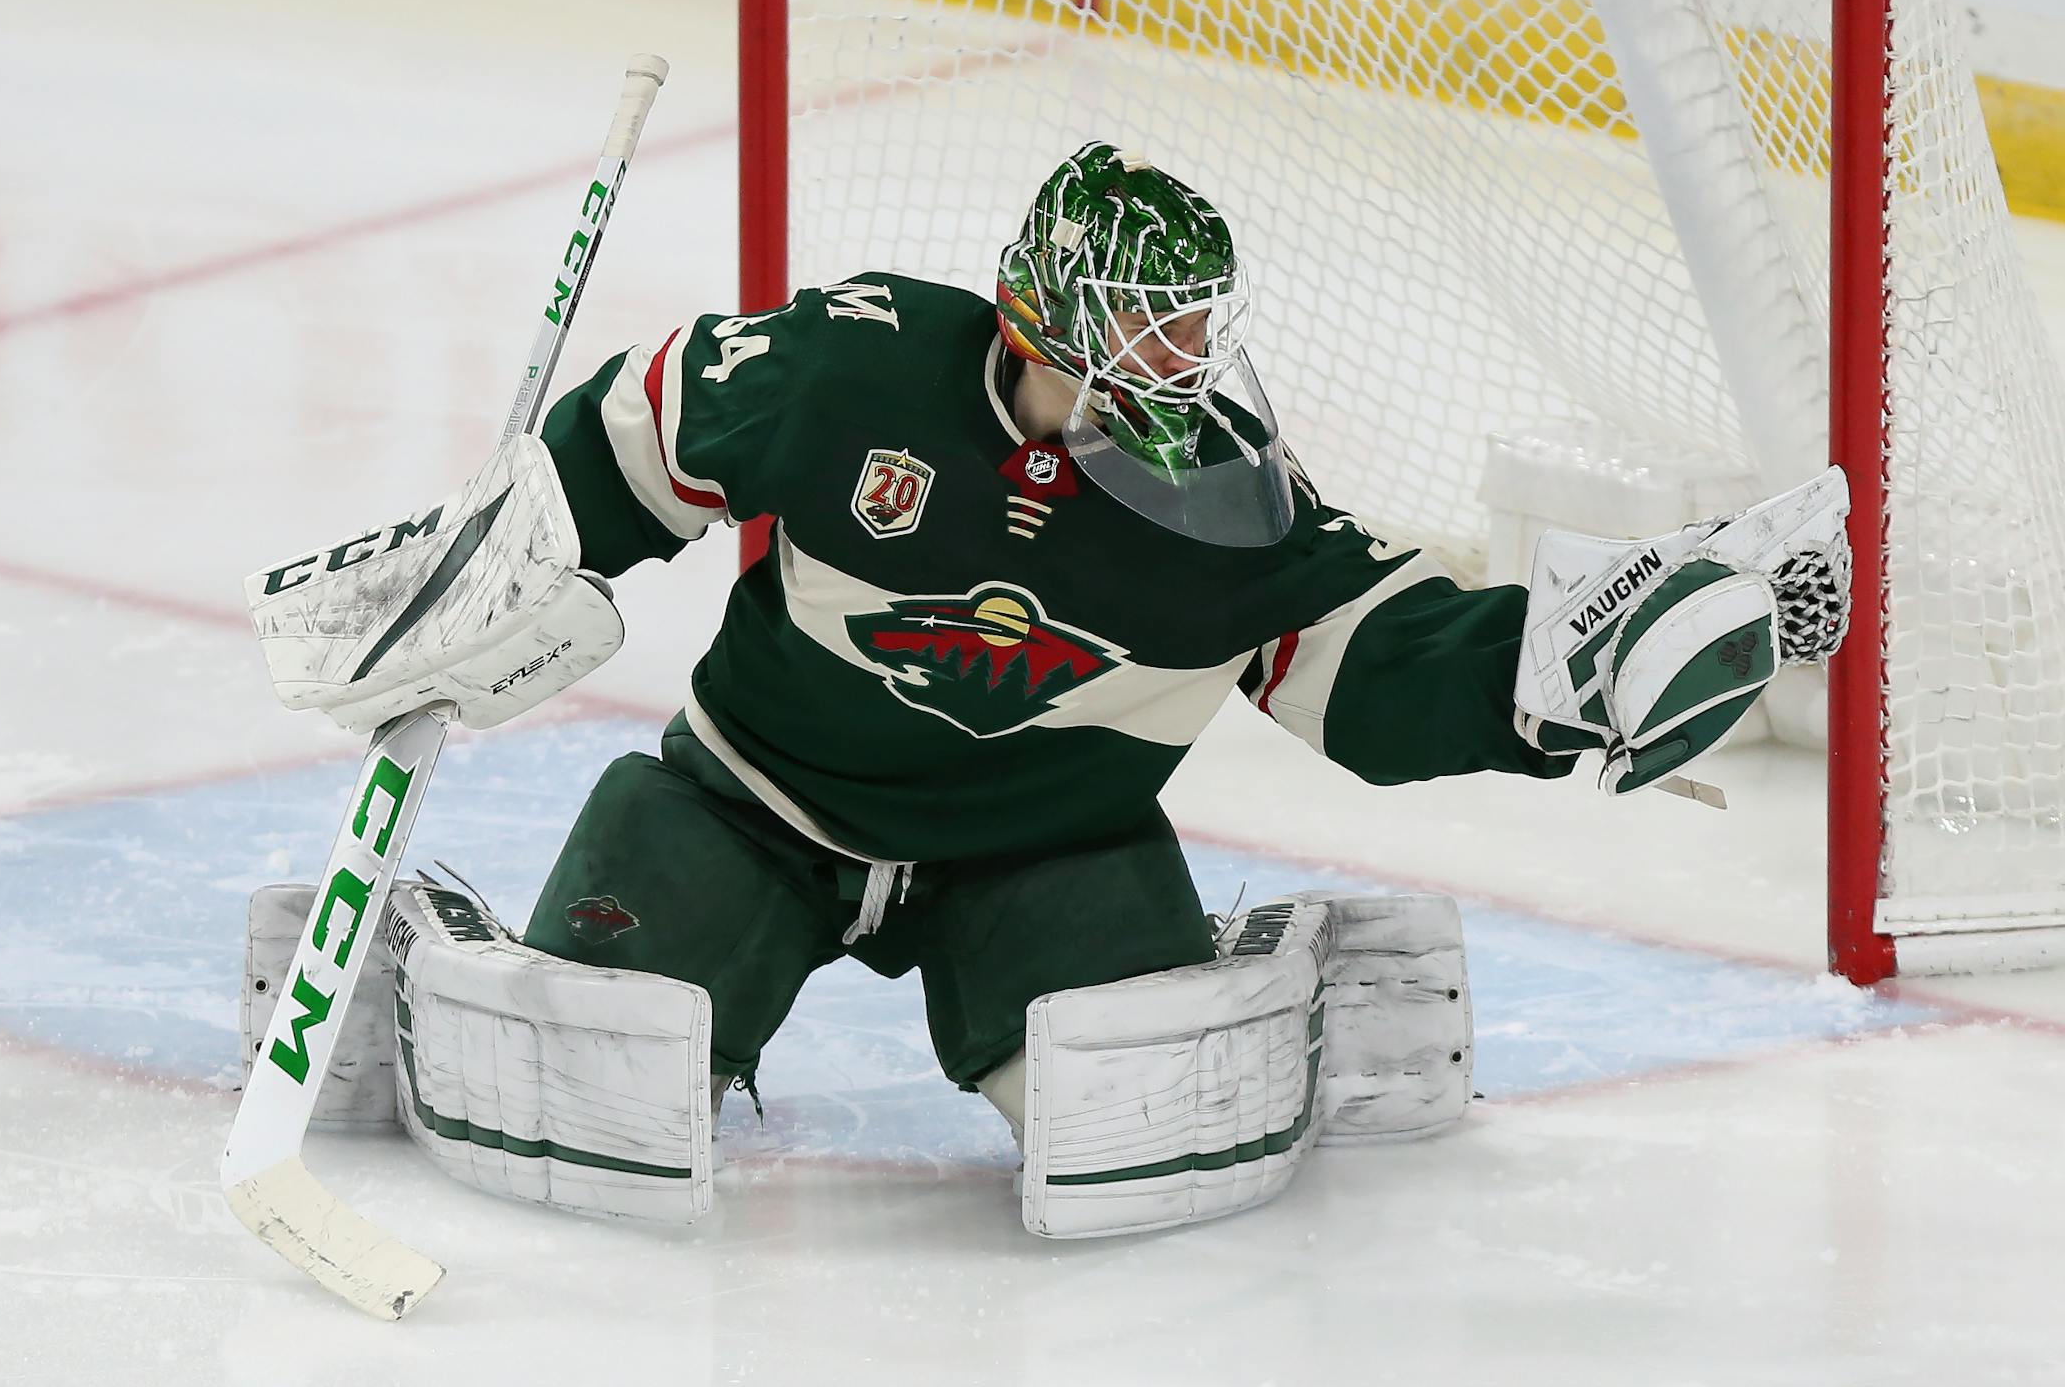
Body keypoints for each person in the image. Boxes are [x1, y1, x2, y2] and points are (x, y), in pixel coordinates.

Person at [519, 142, 1589, 1124]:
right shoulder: (855, 370)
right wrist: (496, 566)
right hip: (754, 804)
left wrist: (1567, 672)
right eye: (1148, 318)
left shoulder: (1226, 491)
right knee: (597, 1085)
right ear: (1053, 312)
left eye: (1198, 320)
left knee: (1123, 1118)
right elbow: (634, 443)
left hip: (1040, 853)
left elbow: (1383, 657)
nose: (1186, 352)